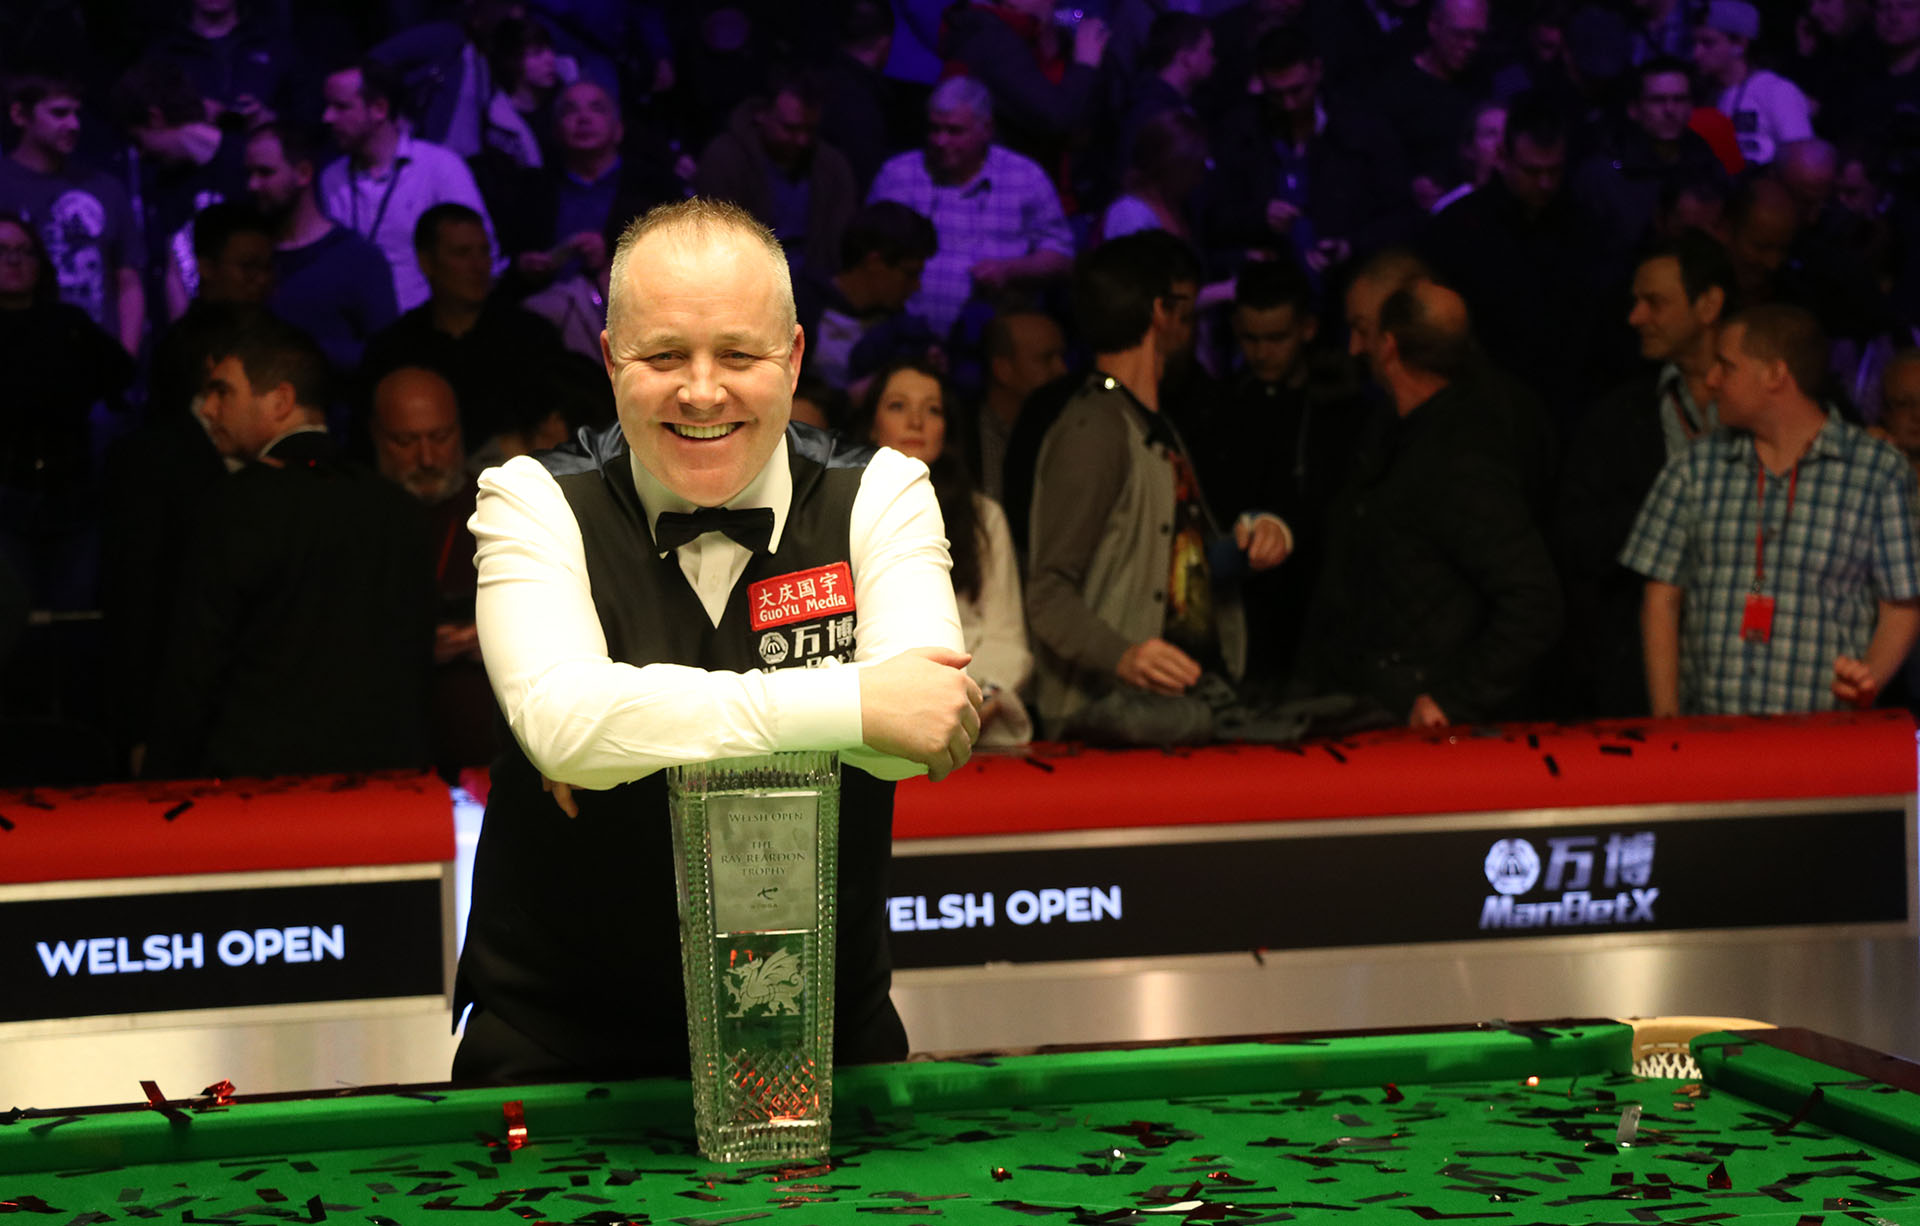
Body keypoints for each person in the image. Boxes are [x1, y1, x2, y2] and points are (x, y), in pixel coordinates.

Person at [453, 197, 981, 1081]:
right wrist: (853, 699)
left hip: (821, 1037)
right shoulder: (531, 498)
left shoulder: (883, 492)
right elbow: (564, 726)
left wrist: (635, 728)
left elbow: (916, 738)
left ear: (796, 357)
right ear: (612, 360)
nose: (702, 390)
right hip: (558, 1042)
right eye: (664, 356)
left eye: (739, 354)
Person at [146, 314, 436, 778]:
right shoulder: (395, 508)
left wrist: (159, 779)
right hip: (389, 788)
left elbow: (194, 666)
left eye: (223, 391)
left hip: (260, 796)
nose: (207, 409)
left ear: (280, 400)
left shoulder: (234, 504)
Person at [1026, 233, 1290, 742]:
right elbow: (1048, 592)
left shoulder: (1150, 421)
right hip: (1106, 725)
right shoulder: (1095, 430)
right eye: (1184, 310)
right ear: (1161, 313)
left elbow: (1172, 565)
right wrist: (1123, 656)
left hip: (1166, 713)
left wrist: (1252, 538)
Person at [1622, 304, 1920, 715]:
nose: (1711, 379)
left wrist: (1866, 682)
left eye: (1727, 366)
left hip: (1823, 737)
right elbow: (1661, 598)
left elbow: (1901, 604)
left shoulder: (1876, 471)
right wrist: (1668, 720)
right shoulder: (1695, 467)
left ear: (1776, 375)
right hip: (1712, 733)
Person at [1295, 282, 1562, 726]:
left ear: (1389, 346)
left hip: (1415, 719)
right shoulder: (1396, 432)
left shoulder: (1460, 456)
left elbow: (1535, 602)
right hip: (1369, 704)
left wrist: (1452, 700)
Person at [1557, 232, 1736, 717]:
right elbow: (1576, 539)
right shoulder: (1616, 417)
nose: (1635, 318)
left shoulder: (1778, 406)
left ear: (1709, 304)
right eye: (1635, 302)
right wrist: (1672, 516)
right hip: (1641, 673)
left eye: (1654, 303)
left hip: (1754, 671)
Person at [1192, 258, 1368, 687]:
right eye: (1250, 338)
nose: (1261, 352)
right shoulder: (1222, 406)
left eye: (1276, 338)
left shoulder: (1342, 407)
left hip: (1321, 613)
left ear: (1307, 328)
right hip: (1243, 615)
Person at [853, 359, 1032, 744]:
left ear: (946, 428)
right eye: (898, 406)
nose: (915, 421)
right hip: (867, 711)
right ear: (872, 422)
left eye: (932, 409)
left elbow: (1007, 635)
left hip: (974, 710)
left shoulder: (983, 516)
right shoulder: (841, 508)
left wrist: (971, 696)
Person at [867, 76, 1073, 340]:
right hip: (905, 336)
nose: (941, 141)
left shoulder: (1025, 177)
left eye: (954, 131)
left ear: (986, 128)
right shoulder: (899, 175)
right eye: (934, 129)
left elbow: (1061, 255)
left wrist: (1010, 270)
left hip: (994, 339)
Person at [359, 203, 572, 453]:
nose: (479, 265)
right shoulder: (393, 349)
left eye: (484, 252)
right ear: (427, 262)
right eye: (462, 253)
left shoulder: (532, 337)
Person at [370, 366, 495, 777]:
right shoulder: (354, 522)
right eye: (406, 442)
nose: (427, 458)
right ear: (376, 437)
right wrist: (409, 646)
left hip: (493, 752)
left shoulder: (499, 509)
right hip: (391, 758)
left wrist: (497, 638)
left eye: (440, 438)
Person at [317, 60, 497, 312]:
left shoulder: (439, 167)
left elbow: (481, 252)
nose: (327, 117)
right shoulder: (332, 178)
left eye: (341, 107)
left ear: (379, 108)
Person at [0, 72, 144, 352]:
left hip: (93, 358)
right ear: (19, 115)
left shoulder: (105, 188)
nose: (74, 124)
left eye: (77, 114)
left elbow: (128, 280)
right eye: (59, 113)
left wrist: (125, 357)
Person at [244, 122, 397, 376]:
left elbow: (388, 358)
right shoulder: (248, 259)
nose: (252, 185)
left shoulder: (357, 261)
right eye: (248, 173)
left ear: (303, 173)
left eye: (265, 173)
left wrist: (307, 354)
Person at [694, 67, 859, 279]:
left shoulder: (831, 166)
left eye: (809, 130)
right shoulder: (726, 159)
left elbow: (839, 241)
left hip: (816, 287)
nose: (802, 141)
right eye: (790, 129)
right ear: (761, 115)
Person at [793, 200, 938, 392]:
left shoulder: (903, 329)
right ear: (874, 263)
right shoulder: (802, 309)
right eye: (910, 274)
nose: (916, 286)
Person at [1692, 1, 1814, 167]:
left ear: (1739, 44)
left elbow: (1802, 162)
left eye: (1708, 43)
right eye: (1695, 43)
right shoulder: (1704, 96)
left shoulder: (1775, 90)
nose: (1696, 53)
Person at [975, 308, 1067, 503]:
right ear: (1003, 369)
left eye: (1062, 357)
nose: (1061, 369)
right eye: (1046, 358)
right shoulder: (962, 434)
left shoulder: (1066, 431)